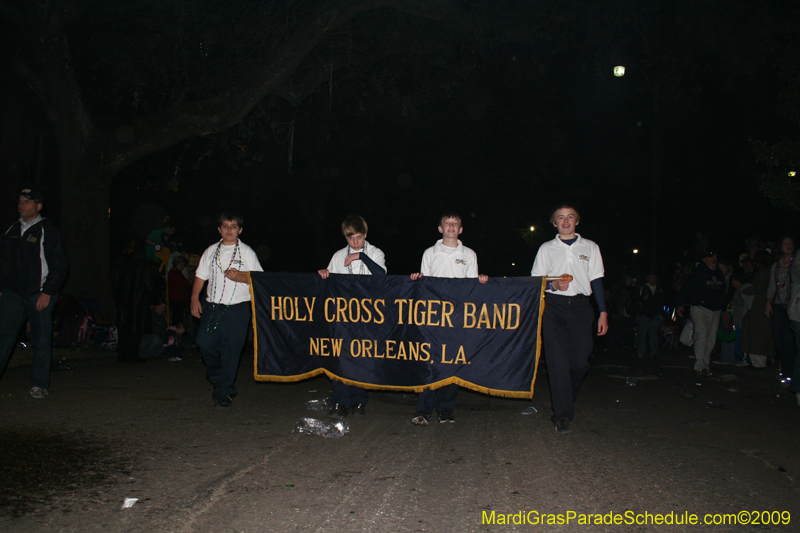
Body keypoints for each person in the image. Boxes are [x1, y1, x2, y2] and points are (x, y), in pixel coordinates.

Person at [531, 204, 608, 434]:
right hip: (553, 309)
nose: (566, 221)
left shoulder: (591, 247)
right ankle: (562, 414)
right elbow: (537, 282)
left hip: (581, 308)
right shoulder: (546, 248)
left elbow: (596, 280)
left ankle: (567, 395)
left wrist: (603, 311)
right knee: (557, 364)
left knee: (580, 362)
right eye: (561, 218)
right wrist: (554, 284)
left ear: (577, 221)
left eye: (570, 217)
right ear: (554, 223)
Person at [409, 212, 488, 425]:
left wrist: (480, 281)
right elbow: (424, 285)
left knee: (453, 361)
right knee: (429, 361)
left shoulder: (469, 254)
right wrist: (417, 280)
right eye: (447, 223)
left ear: (461, 230)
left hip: (458, 317)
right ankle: (423, 410)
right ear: (440, 229)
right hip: (433, 316)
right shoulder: (429, 253)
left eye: (455, 224)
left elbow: (472, 288)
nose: (451, 226)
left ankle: (446, 409)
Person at [0, 188, 68, 398]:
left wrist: (48, 292)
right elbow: (4, 261)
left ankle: (39, 384)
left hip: (38, 293)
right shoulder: (12, 229)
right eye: (20, 201)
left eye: (27, 202)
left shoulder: (47, 230)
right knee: (3, 336)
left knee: (40, 339)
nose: (22, 205)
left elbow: (59, 265)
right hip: (13, 293)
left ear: (38, 206)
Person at [191, 212, 263, 410]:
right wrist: (193, 299)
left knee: (231, 350)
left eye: (233, 226)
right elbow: (200, 276)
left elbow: (258, 279)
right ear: (219, 229)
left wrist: (239, 277)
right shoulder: (211, 251)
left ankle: (225, 392)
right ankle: (218, 379)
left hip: (238, 309)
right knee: (204, 343)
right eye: (225, 226)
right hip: (212, 306)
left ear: (239, 230)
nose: (229, 230)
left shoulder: (246, 252)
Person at [318, 215, 386, 417]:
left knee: (362, 357)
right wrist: (324, 274)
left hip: (368, 315)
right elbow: (329, 281)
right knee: (340, 356)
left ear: (365, 235)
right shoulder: (338, 256)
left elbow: (382, 276)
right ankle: (340, 401)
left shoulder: (375, 252)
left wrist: (362, 257)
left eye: (358, 237)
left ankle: (359, 400)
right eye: (351, 239)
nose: (355, 242)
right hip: (343, 314)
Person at [676, 251, 726, 377]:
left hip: (715, 310)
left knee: (711, 337)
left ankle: (705, 362)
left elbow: (723, 293)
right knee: (702, 334)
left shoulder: (719, 273)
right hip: (700, 307)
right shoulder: (698, 272)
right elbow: (687, 288)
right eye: (711, 257)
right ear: (705, 259)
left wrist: (724, 309)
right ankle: (699, 364)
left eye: (715, 256)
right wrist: (679, 304)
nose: (714, 259)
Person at [765, 236, 796, 384]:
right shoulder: (776, 265)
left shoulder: (796, 263)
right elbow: (772, 285)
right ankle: (785, 369)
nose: (789, 246)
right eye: (786, 243)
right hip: (778, 305)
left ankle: (790, 372)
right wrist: (768, 302)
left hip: (792, 307)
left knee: (789, 340)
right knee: (779, 340)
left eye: (791, 244)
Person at [635, 274, 665, 360]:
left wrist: (661, 315)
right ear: (647, 278)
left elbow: (662, 302)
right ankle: (640, 352)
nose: (653, 279)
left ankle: (654, 353)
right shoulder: (643, 288)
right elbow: (636, 299)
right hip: (644, 314)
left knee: (654, 334)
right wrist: (643, 299)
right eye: (651, 277)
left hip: (655, 315)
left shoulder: (659, 290)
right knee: (642, 334)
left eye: (654, 277)